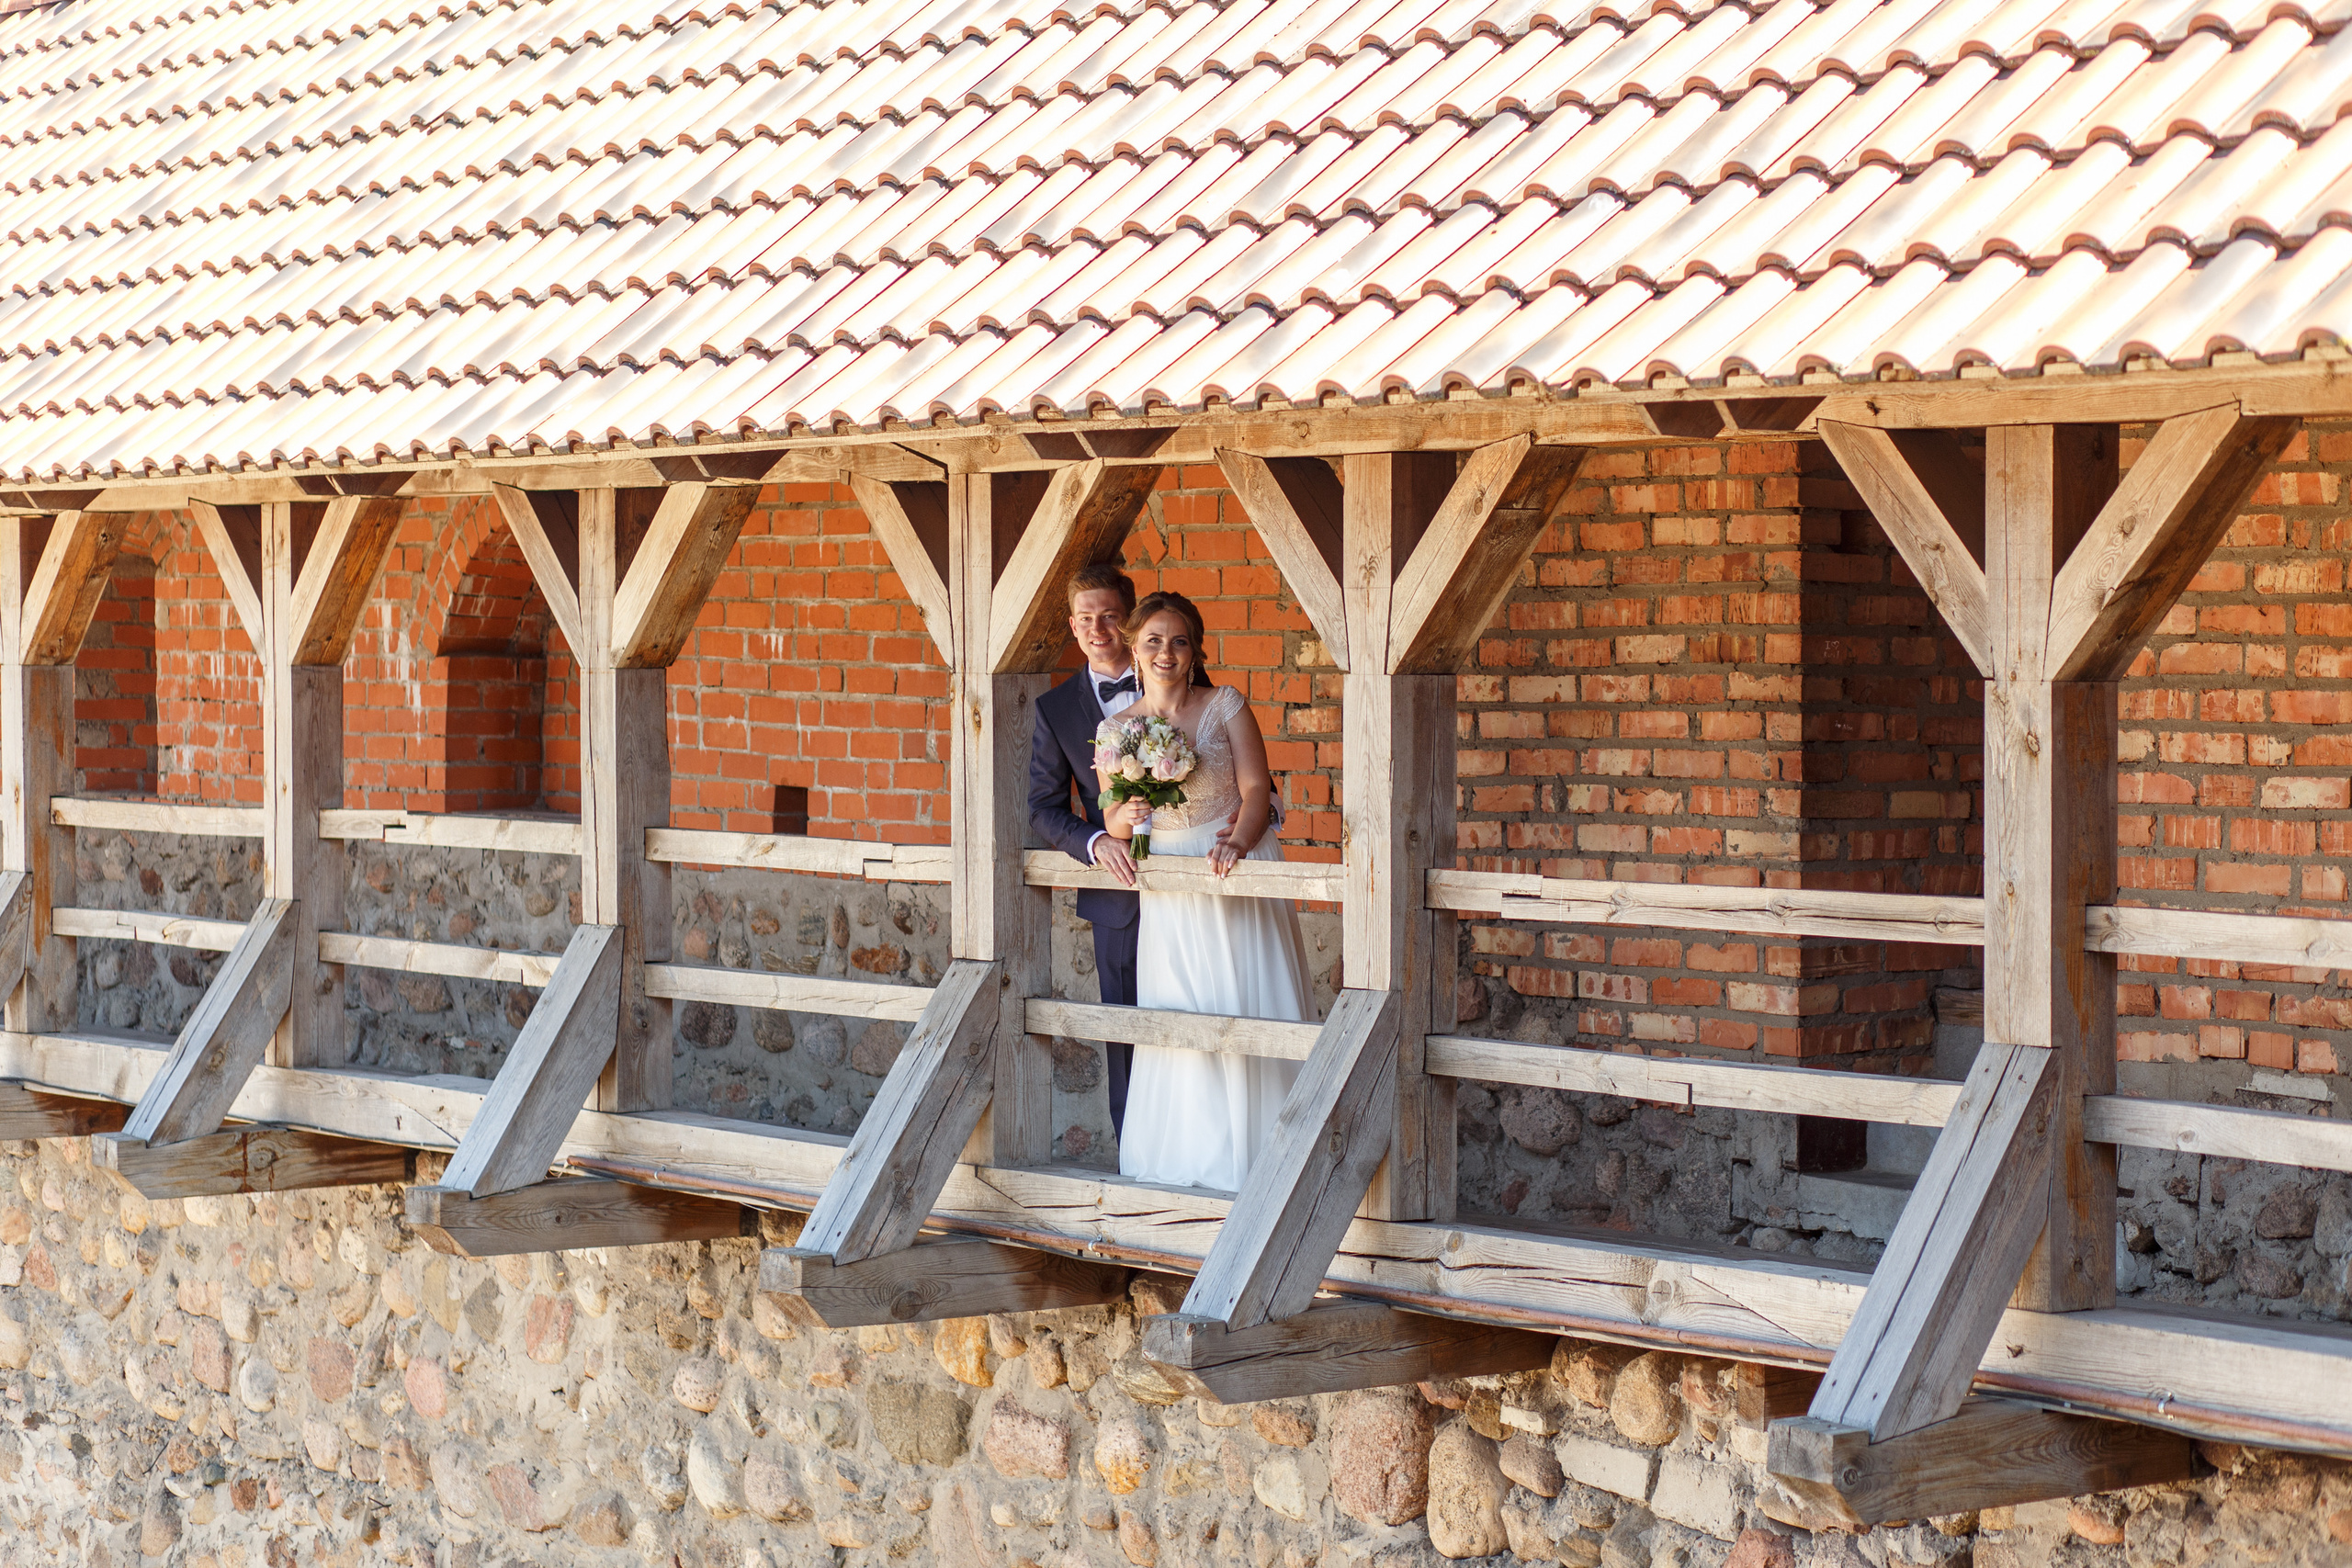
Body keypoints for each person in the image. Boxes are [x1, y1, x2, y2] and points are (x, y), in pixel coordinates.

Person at [1097, 591, 1317, 1192]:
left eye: (1178, 640)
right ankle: (1192, 1160)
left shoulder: (1224, 705)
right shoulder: (1116, 729)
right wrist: (1127, 814)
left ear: (1194, 651)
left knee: (1245, 996)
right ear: (1134, 651)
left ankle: (1269, 1159)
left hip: (1229, 865)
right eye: (1153, 641)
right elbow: (1113, 815)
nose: (1165, 652)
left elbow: (1255, 789)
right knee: (1182, 1008)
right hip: (1166, 875)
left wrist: (1238, 844)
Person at [1028, 564, 1146, 1131]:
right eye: (1085, 619)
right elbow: (1042, 808)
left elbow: (1224, 749)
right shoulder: (1054, 709)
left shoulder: (1176, 675)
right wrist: (1095, 841)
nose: (1097, 629)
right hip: (1116, 894)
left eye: (1110, 616)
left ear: (1130, 620)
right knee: (1123, 1029)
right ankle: (1132, 1154)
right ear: (1072, 627)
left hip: (1193, 881)